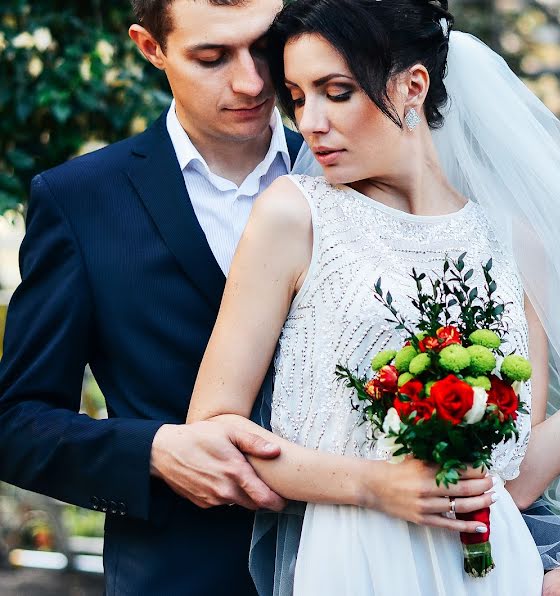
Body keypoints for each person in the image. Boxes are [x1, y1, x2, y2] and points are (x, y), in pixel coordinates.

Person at [187, 0, 560, 594]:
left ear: (412, 86)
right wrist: (374, 483)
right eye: (299, 97)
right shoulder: (295, 214)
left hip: (491, 561)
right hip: (356, 557)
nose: (312, 122)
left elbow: (519, 477)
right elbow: (213, 430)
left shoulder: (514, 245)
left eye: (337, 91)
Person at [0, 1, 496, 593]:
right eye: (211, 57)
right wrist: (153, 451)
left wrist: (556, 553)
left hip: (383, 567)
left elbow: (480, 387)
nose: (252, 82)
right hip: (186, 576)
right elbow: (17, 422)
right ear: (149, 47)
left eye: (264, 48)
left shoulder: (363, 167)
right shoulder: (81, 201)